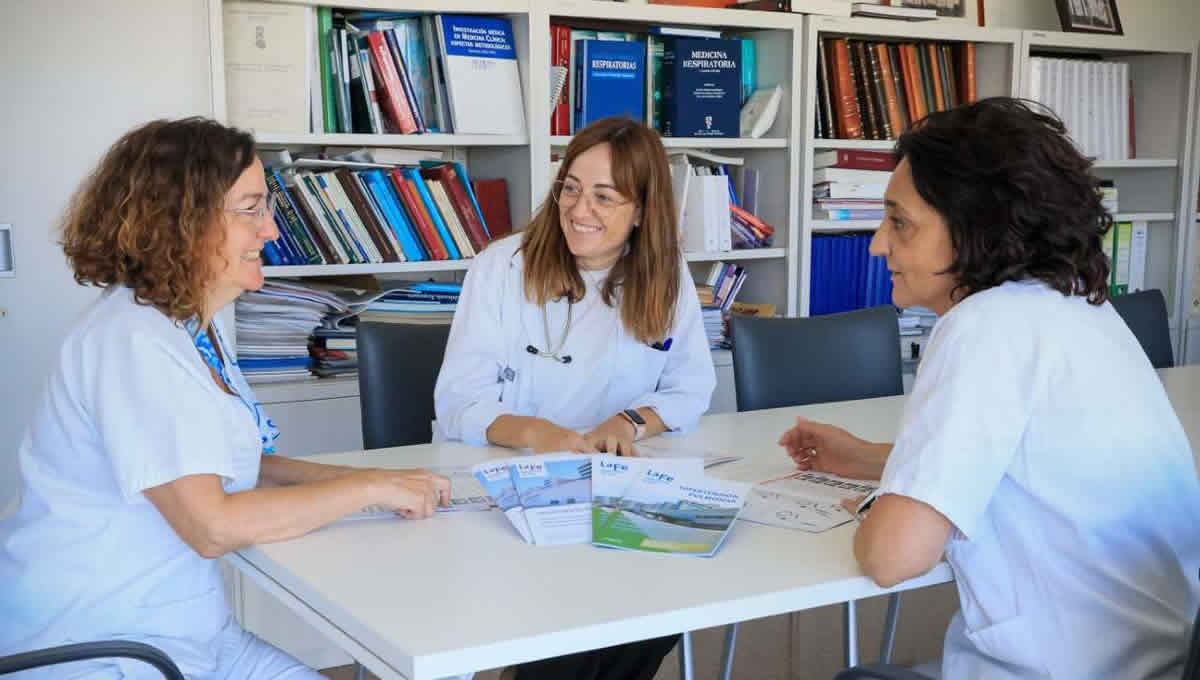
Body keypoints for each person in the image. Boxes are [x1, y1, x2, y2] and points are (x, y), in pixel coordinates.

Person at [0, 118, 450, 679]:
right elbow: (211, 524)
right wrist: (365, 488)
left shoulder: (189, 324)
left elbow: (227, 464)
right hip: (108, 651)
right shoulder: (134, 343)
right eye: (251, 210)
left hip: (190, 636)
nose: (272, 231)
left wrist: (370, 484)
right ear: (182, 222)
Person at [779, 98, 1200, 679]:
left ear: (975, 227)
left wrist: (886, 506)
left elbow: (891, 557)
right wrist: (874, 460)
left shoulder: (983, 326)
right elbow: (1026, 468)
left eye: (899, 221)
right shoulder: (1078, 307)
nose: (879, 244)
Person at [434, 116, 715, 679]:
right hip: (502, 482)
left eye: (604, 197)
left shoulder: (665, 275)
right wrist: (544, 434)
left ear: (642, 209)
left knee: (656, 617)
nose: (579, 210)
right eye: (571, 188)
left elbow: (691, 386)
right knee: (557, 629)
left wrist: (630, 421)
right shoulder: (502, 266)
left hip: (610, 485)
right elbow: (459, 401)